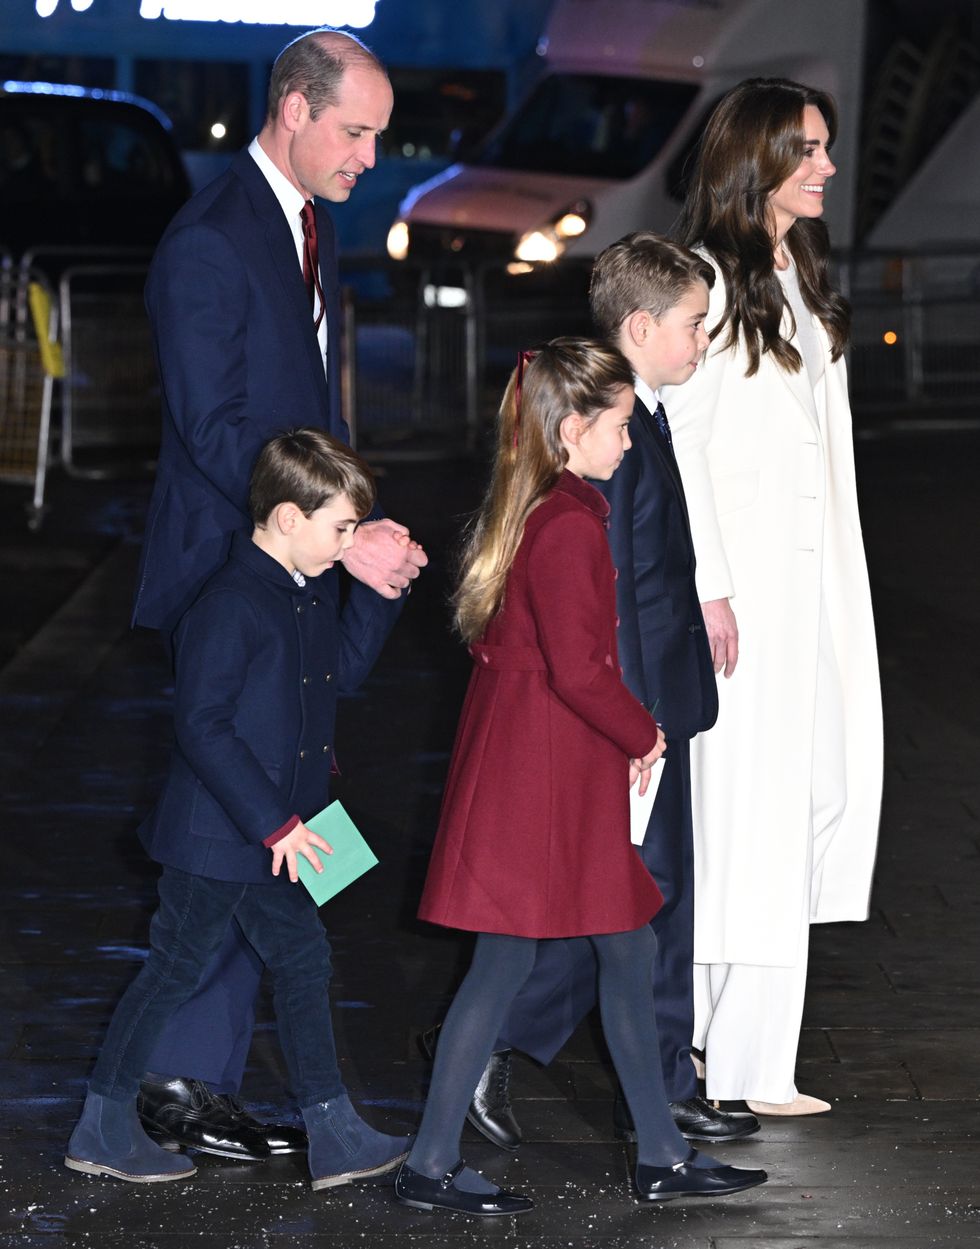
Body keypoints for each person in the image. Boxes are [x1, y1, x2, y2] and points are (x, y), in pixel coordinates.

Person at [131, 28, 427, 1160]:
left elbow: (306, 411)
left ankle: (192, 1076)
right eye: (355, 132)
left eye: (376, 136)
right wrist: (334, 536)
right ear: (294, 109)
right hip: (233, 570)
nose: (368, 158)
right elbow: (214, 429)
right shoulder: (210, 238)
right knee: (240, 824)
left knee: (285, 812)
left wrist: (350, 528)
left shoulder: (309, 222)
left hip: (288, 561)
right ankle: (173, 1083)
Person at [395, 339, 768, 1215]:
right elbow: (579, 669)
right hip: (548, 773)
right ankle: (434, 1161)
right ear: (571, 430)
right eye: (620, 427)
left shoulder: (544, 507)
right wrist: (644, 732)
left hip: (543, 765)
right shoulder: (565, 523)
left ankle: (656, 1154)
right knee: (509, 964)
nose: (629, 442)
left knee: (618, 948)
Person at [65, 430, 411, 1188]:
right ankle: (102, 1126)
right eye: (341, 527)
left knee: (301, 960)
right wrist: (275, 823)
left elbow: (341, 672)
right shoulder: (229, 602)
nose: (349, 543)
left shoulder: (303, 588)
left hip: (280, 830)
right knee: (174, 968)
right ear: (288, 517)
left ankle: (333, 1130)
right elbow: (202, 726)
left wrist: (380, 592)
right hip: (224, 834)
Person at [662, 77, 883, 1114]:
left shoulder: (795, 270)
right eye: (807, 149)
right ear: (754, 159)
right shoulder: (706, 281)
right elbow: (682, 445)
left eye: (825, 147)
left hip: (813, 586)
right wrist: (710, 588)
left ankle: (726, 1047)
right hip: (745, 599)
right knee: (747, 813)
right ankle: (743, 1060)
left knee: (792, 799)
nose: (826, 166)